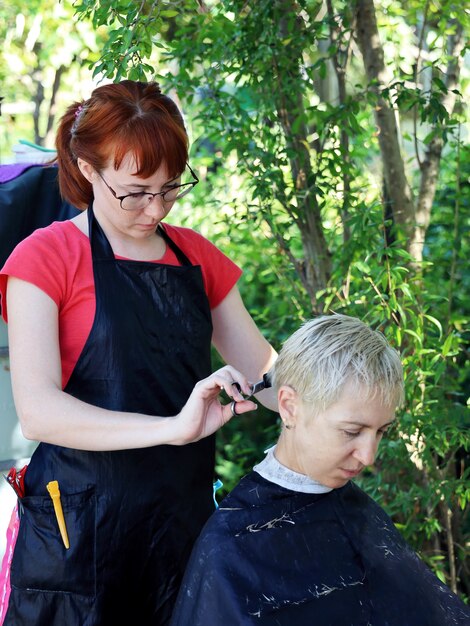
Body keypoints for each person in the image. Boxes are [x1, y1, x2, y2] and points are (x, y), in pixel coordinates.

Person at [0, 80, 278, 626]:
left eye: (170, 189)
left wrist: (332, 391)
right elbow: (39, 412)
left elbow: (266, 374)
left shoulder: (195, 257)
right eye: (135, 191)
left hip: (181, 524)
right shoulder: (44, 257)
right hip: (75, 533)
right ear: (86, 168)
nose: (155, 209)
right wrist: (172, 427)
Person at [170, 314, 470, 626]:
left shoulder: (360, 515)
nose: (368, 457)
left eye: (381, 431)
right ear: (289, 406)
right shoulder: (231, 547)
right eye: (351, 432)